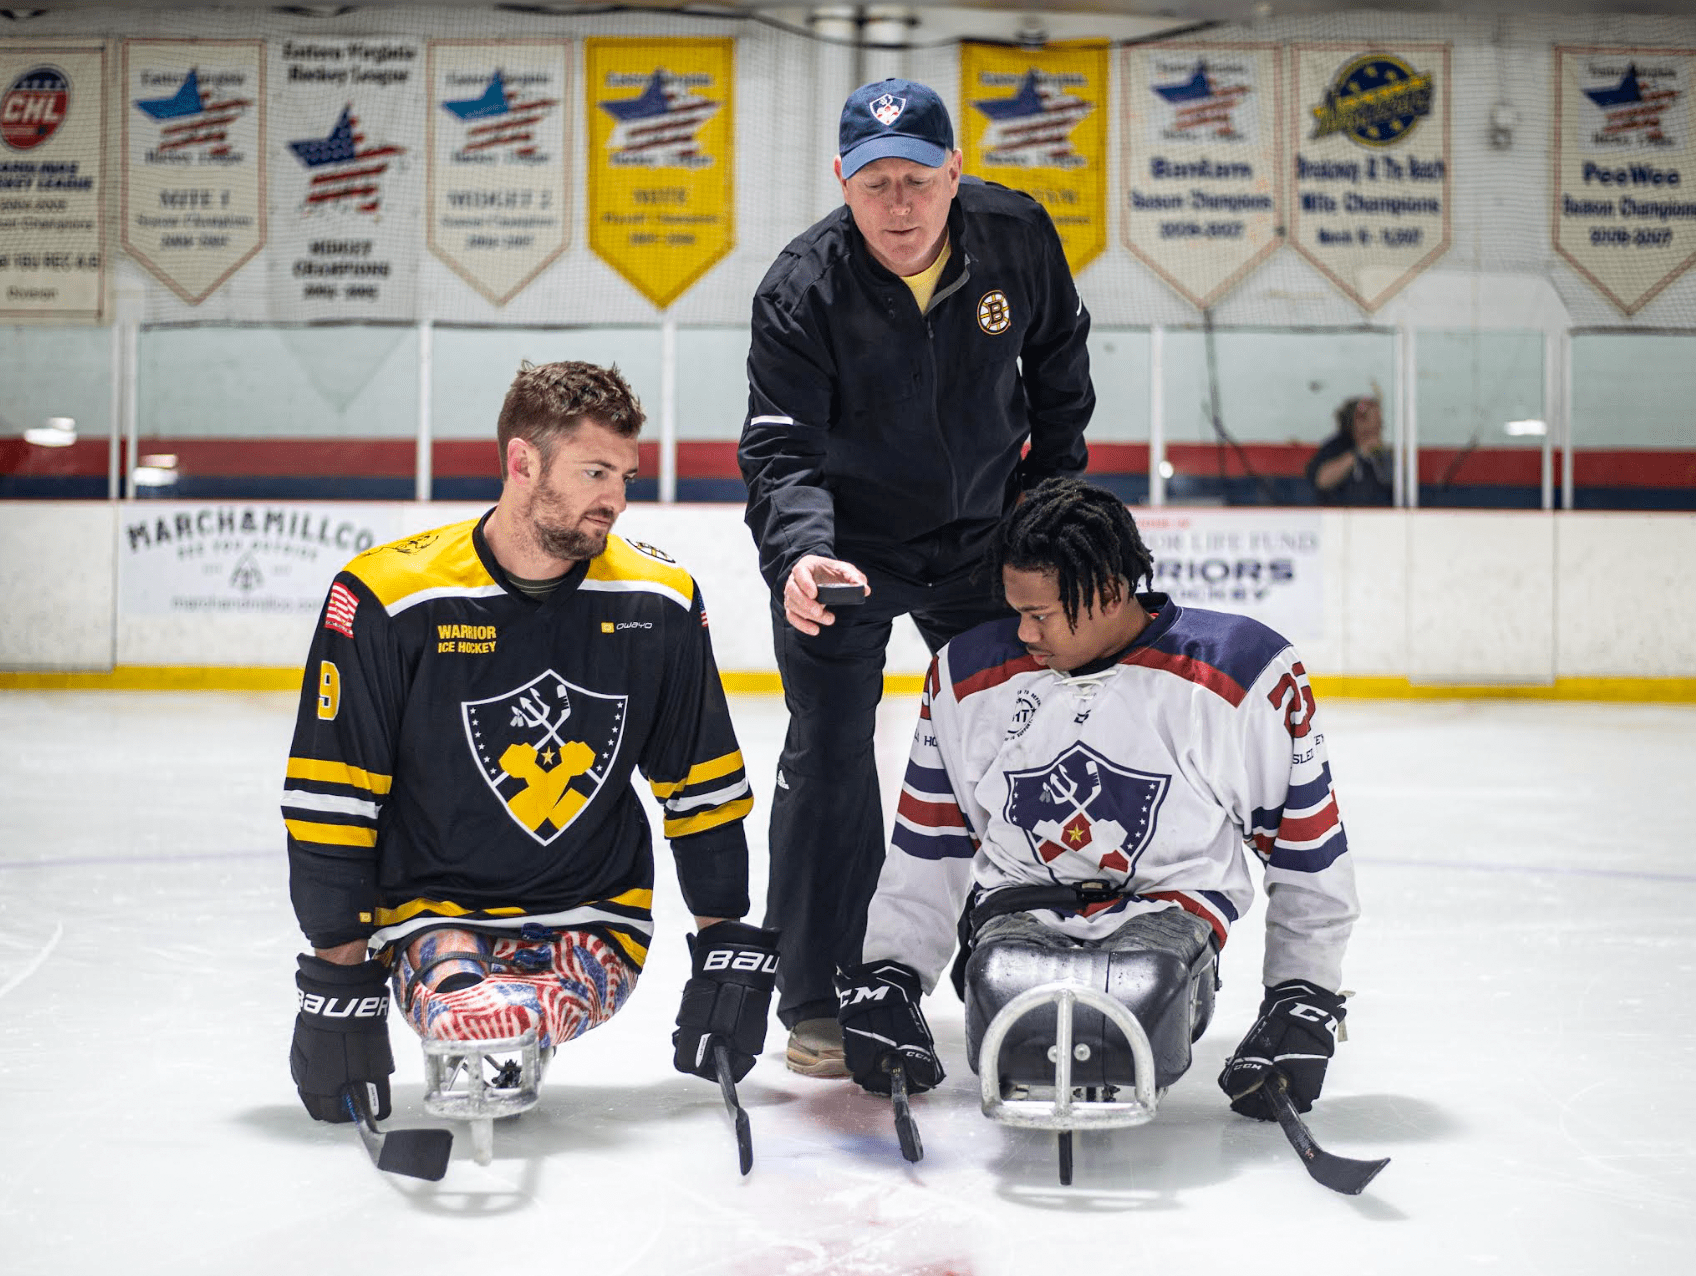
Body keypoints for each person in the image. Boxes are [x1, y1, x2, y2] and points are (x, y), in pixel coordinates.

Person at [283, 360, 779, 1134]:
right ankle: (484, 1020)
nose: (613, 497)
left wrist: (725, 945)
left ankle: (504, 1029)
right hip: (429, 913)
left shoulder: (661, 601)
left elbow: (701, 785)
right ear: (522, 464)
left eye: (624, 474)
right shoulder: (388, 597)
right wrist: (335, 976)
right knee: (474, 1016)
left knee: (502, 1020)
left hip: (598, 920)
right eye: (592, 470)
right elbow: (334, 797)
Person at [740, 78, 1095, 1076]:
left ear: (953, 173)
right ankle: (817, 991)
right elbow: (780, 451)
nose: (897, 205)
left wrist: (1047, 507)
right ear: (842, 184)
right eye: (873, 183)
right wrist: (800, 554)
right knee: (830, 756)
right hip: (848, 545)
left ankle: (1022, 959)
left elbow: (1059, 366)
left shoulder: (1015, 235)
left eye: (916, 181)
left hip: (986, 538)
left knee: (1018, 744)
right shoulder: (800, 287)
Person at [835, 477, 1361, 1129]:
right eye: (1016, 610)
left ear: (1111, 594)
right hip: (1019, 906)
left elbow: (1306, 848)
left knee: (1138, 1000)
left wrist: (1302, 994)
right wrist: (891, 975)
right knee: (1007, 1003)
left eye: (1042, 615)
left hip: (1167, 908)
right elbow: (930, 844)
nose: (1023, 632)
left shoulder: (1241, 675)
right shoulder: (966, 675)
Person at [1307, 395, 1392, 506]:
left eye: (1380, 424)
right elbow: (1322, 480)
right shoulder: (1337, 446)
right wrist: (1357, 454)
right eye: (1376, 423)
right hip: (1339, 517)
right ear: (1358, 422)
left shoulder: (1380, 454)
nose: (1378, 428)